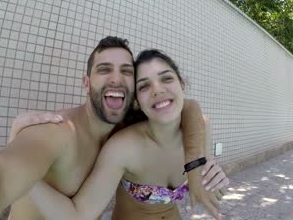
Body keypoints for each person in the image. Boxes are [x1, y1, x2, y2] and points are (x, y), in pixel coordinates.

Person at [0, 37, 225, 220]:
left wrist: (197, 167)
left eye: (127, 73)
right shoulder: (59, 130)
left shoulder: (154, 121)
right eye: (105, 70)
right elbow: (0, 173)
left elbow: (188, 107)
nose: (116, 79)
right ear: (86, 83)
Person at [14, 49, 228, 219]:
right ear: (137, 100)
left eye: (167, 79)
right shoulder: (124, 147)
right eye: (144, 86)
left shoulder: (201, 128)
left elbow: (191, 112)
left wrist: (211, 179)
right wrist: (24, 175)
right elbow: (79, 215)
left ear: (182, 85)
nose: (157, 90)